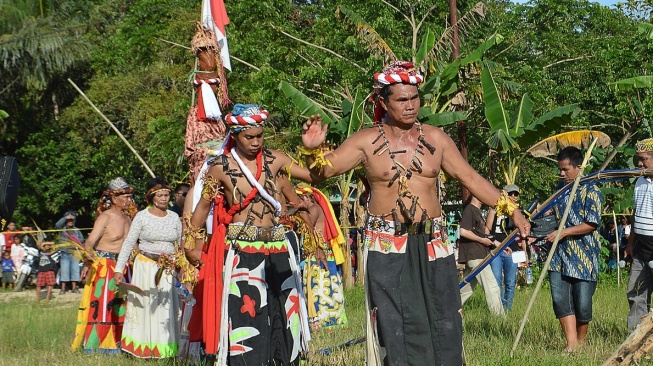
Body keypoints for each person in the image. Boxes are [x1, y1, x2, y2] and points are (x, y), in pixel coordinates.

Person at [300, 61, 530, 365]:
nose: (411, 106)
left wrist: (512, 211)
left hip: (434, 243)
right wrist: (312, 150)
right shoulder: (365, 141)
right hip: (385, 244)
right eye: (402, 100)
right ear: (384, 102)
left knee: (444, 319)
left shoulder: (436, 138)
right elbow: (321, 173)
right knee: (393, 326)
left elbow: (471, 179)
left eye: (415, 98)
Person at [185, 104, 314, 365]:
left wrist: (312, 150)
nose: (256, 142)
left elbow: (313, 176)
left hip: (278, 247)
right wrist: (189, 244)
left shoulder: (276, 159)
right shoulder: (220, 166)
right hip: (242, 250)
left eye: (259, 136)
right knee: (247, 315)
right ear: (234, 135)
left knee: (284, 314)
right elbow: (203, 207)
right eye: (249, 137)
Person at [113, 177, 183, 358]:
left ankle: (166, 349)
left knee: (165, 307)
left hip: (168, 268)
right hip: (145, 267)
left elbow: (181, 245)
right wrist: (119, 269)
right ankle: (141, 348)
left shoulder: (175, 217)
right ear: (152, 197)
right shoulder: (142, 217)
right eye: (160, 195)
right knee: (144, 305)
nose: (164, 198)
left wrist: (183, 268)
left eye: (167, 195)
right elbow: (129, 243)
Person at [544, 146, 602, 352]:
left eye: (566, 169)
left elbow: (592, 223)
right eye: (560, 169)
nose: (561, 173)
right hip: (559, 254)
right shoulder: (559, 190)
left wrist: (565, 232)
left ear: (579, 167)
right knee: (560, 298)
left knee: (583, 302)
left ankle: (581, 341)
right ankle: (571, 344)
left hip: (584, 254)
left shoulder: (592, 190)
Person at [71, 177, 135, 354]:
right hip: (105, 267)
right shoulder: (105, 217)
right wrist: (87, 259)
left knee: (122, 305)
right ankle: (98, 345)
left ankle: (120, 343)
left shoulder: (129, 219)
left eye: (130, 196)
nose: (130, 200)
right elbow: (90, 242)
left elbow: (133, 247)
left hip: (124, 267)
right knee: (103, 304)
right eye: (126, 196)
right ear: (114, 199)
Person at [296, 184, 348, 331]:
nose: (298, 202)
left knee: (318, 288)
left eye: (300, 198)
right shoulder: (311, 209)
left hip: (318, 252)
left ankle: (323, 322)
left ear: (308, 198)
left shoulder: (313, 209)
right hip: (315, 252)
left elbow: (307, 225)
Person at [458, 195, 505, 317]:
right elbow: (463, 231)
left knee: (465, 290)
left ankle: (448, 311)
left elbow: (482, 235)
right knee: (492, 287)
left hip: (477, 254)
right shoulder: (470, 210)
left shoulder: (477, 211)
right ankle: (499, 320)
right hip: (475, 255)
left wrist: (498, 244)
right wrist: (482, 240)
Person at [626, 137, 653, 331]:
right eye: (638, 159)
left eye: (643, 159)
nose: (639, 164)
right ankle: (635, 337)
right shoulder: (640, 181)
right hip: (641, 247)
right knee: (635, 292)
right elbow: (636, 213)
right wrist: (630, 244)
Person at [486, 184, 525, 311]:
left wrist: (525, 254)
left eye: (515, 194)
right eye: (510, 193)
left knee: (510, 283)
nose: (513, 196)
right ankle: (499, 310)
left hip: (512, 250)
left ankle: (507, 309)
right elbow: (488, 229)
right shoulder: (494, 209)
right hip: (496, 248)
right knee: (497, 281)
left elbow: (522, 234)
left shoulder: (518, 212)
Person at [56, 211, 85, 294]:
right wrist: (66, 217)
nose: (70, 222)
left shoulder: (77, 230)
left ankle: (74, 287)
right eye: (68, 220)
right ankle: (63, 288)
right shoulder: (62, 229)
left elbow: (81, 240)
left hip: (74, 253)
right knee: (64, 270)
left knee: (75, 270)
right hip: (65, 253)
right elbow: (57, 225)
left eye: (71, 220)